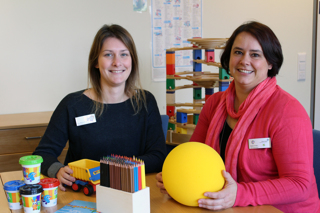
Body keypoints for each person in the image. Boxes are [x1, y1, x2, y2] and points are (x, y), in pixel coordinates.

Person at [156, 21, 320, 212]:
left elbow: (298, 184)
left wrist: (240, 194)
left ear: (270, 63)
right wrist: (176, 177)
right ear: (228, 58)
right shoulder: (214, 104)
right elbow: (196, 156)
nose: (244, 61)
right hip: (231, 206)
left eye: (255, 55)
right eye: (238, 52)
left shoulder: (288, 111)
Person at [33, 24, 166, 191]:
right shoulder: (72, 104)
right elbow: (42, 155)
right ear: (96, 61)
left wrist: (112, 174)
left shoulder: (146, 101)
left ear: (131, 60)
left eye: (124, 54)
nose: (117, 62)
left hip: (133, 191)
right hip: (83, 195)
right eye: (108, 54)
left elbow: (158, 156)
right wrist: (57, 170)